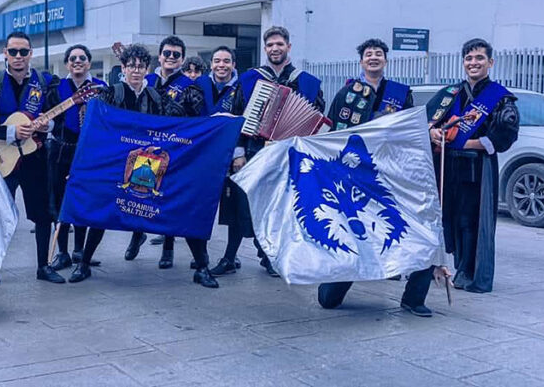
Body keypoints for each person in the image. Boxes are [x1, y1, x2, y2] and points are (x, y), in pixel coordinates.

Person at [68, 45, 218, 288]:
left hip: (151, 165)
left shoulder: (157, 97)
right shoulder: (109, 95)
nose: (136, 70)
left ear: (147, 69)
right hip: (116, 165)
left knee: (181, 209)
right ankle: (83, 263)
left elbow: (175, 127)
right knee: (101, 211)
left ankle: (202, 267)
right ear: (123, 68)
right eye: (131, 66)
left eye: (140, 66)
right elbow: (95, 129)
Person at [316, 38, 445, 317]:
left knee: (419, 230)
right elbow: (332, 136)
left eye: (378, 54)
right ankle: (335, 284)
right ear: (361, 61)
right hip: (355, 177)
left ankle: (414, 298)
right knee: (351, 235)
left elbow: (411, 132)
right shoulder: (346, 93)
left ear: (385, 60)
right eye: (368, 54)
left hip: (394, 176)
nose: (373, 58)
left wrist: (431, 133)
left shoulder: (401, 93)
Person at [215, 25, 326, 277]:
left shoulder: (306, 82)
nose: (275, 49)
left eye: (279, 44)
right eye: (270, 45)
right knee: (239, 204)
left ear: (288, 47)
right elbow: (236, 118)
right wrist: (238, 153)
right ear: (265, 49)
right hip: (253, 151)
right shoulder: (249, 79)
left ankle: (270, 256)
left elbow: (317, 119)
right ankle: (230, 258)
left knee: (279, 209)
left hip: (287, 156)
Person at [0, 31, 65, 283]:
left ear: (31, 54)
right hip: (3, 158)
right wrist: (10, 131)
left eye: (24, 51)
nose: (18, 56)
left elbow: (62, 119)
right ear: (5, 53)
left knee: (43, 213)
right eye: (13, 51)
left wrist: (50, 126)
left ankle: (43, 267)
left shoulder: (46, 82)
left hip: (36, 158)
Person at [427, 38, 519, 293]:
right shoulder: (450, 94)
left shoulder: (500, 98)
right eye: (469, 58)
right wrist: (434, 134)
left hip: (476, 168)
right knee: (450, 218)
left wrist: (462, 144)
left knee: (470, 221)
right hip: (446, 166)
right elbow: (428, 122)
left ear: (490, 62)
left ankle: (470, 271)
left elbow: (503, 137)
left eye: (479, 58)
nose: (473, 63)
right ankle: (445, 266)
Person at [126, 36, 206, 269]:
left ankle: (168, 248)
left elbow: (198, 118)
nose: (171, 58)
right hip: (145, 148)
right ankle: (136, 234)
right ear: (159, 56)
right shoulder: (147, 80)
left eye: (176, 54)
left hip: (175, 151)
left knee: (166, 196)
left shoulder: (190, 86)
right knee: (139, 191)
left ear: (181, 58)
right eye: (167, 53)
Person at [47, 45, 107, 271]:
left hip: (90, 153)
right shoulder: (57, 87)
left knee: (84, 200)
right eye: (73, 58)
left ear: (89, 63)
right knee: (60, 200)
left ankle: (79, 250)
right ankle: (62, 252)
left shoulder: (102, 88)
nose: (77, 61)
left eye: (82, 58)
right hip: (61, 151)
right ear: (66, 64)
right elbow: (49, 117)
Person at [193, 46, 246, 276]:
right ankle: (201, 257)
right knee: (201, 208)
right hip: (204, 157)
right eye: (217, 60)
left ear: (234, 64)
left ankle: (229, 258)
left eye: (226, 61)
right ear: (211, 64)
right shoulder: (199, 86)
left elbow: (248, 122)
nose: (221, 65)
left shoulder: (244, 89)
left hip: (234, 158)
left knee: (235, 208)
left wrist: (239, 152)